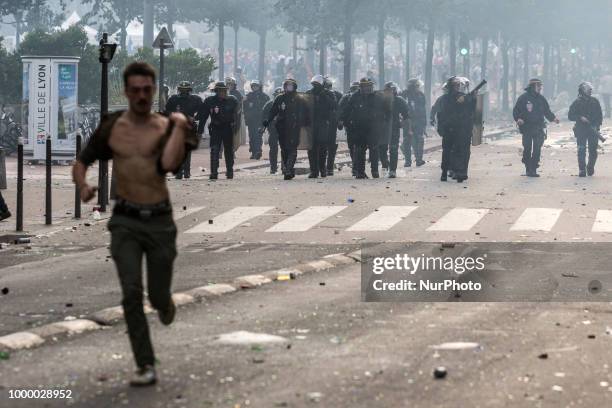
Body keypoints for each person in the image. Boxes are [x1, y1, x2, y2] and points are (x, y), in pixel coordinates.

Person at [72, 62, 197, 387]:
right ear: (126, 91)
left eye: (147, 90)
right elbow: (82, 160)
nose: (141, 95)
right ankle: (145, 364)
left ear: (153, 91)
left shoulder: (168, 127)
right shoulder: (113, 127)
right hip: (125, 220)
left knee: (155, 297)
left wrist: (180, 129)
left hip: (159, 221)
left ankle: (164, 302)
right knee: (130, 292)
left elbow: (169, 165)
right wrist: (83, 185)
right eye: (135, 90)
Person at [341, 77, 389, 179]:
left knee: (374, 150)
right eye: (365, 86)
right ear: (361, 87)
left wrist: (383, 123)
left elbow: (386, 111)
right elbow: (346, 110)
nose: (367, 88)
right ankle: (360, 172)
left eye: (369, 86)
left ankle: (375, 171)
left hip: (374, 128)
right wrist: (347, 123)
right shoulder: (354, 97)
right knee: (359, 151)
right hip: (359, 128)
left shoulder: (378, 97)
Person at [262, 78, 309, 180]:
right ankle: (289, 170)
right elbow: (273, 111)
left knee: (292, 148)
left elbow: (306, 112)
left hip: (294, 127)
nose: (289, 88)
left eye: (291, 86)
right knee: (284, 149)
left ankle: (288, 169)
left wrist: (305, 123)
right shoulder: (279, 98)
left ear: (294, 87)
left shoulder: (299, 99)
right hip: (282, 127)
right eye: (287, 86)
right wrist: (267, 121)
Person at [513, 78, 559, 177]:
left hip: (538, 127)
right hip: (527, 127)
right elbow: (516, 110)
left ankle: (533, 169)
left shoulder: (541, 99)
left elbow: (547, 111)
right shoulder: (523, 98)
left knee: (537, 148)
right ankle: (528, 168)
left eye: (540, 86)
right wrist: (518, 119)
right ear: (532, 86)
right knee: (527, 148)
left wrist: (553, 118)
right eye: (538, 86)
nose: (540, 88)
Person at [435, 76, 477, 182]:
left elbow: (472, 110)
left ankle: (457, 173)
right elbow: (440, 114)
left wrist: (473, 98)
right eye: (456, 85)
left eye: (458, 85)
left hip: (459, 129)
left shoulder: (463, 97)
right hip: (450, 128)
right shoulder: (444, 99)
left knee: (457, 151)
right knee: (448, 151)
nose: (458, 87)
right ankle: (445, 171)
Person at [164, 81, 204, 179]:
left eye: (186, 90)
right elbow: (167, 111)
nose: (184, 92)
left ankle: (187, 171)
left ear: (189, 90)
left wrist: (195, 117)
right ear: (179, 90)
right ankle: (179, 171)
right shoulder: (173, 99)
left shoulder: (195, 99)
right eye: (182, 90)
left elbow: (203, 110)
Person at [201, 82, 240, 180]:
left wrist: (236, 129)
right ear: (216, 91)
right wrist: (199, 131)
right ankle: (214, 172)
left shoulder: (232, 100)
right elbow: (203, 116)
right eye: (220, 90)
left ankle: (230, 171)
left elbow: (237, 116)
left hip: (228, 128)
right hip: (215, 128)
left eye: (224, 90)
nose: (222, 92)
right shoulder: (210, 101)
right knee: (214, 150)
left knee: (229, 151)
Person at [568, 82, 603, 177]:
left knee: (593, 151)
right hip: (581, 129)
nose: (590, 91)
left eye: (590, 90)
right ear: (583, 90)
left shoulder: (595, 101)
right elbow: (570, 116)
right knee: (581, 150)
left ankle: (590, 167)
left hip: (593, 130)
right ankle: (582, 169)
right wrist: (580, 117)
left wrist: (597, 126)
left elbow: (600, 115)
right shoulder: (577, 102)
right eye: (588, 89)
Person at [305, 75, 336, 178]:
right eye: (314, 85)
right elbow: (302, 107)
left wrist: (324, 96)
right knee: (311, 149)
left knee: (323, 148)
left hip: (323, 123)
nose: (315, 87)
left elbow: (334, 105)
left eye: (317, 85)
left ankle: (322, 169)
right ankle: (314, 171)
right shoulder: (308, 93)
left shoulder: (328, 94)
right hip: (311, 124)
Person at [379, 82, 410, 178]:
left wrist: (407, 128)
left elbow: (406, 115)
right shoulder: (380, 100)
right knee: (382, 149)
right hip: (382, 128)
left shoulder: (399, 100)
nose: (390, 92)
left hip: (394, 128)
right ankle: (385, 164)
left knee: (393, 149)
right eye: (388, 90)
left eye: (392, 90)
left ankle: (393, 170)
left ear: (395, 91)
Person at [401, 78, 427, 167]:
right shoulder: (404, 94)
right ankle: (408, 161)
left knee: (419, 140)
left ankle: (419, 159)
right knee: (407, 141)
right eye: (417, 86)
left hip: (419, 121)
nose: (418, 87)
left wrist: (424, 123)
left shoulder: (421, 95)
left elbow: (423, 110)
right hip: (407, 121)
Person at [243, 80, 270, 160]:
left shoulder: (264, 96)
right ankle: (253, 152)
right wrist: (247, 118)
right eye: (253, 86)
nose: (255, 87)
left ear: (259, 86)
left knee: (258, 136)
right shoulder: (248, 96)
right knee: (252, 136)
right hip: (251, 121)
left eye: (256, 86)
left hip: (260, 120)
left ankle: (258, 151)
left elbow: (268, 108)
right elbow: (245, 108)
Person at [338, 81, 360, 176]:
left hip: (352, 125)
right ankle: (356, 167)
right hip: (355, 125)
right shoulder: (347, 97)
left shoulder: (346, 97)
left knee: (353, 147)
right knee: (357, 147)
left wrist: (341, 121)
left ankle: (356, 167)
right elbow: (341, 110)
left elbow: (341, 110)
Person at [323, 77, 343, 176]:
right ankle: (323, 168)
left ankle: (329, 168)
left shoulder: (337, 95)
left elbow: (340, 108)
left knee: (330, 146)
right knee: (321, 147)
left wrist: (339, 120)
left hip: (331, 124)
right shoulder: (318, 95)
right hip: (321, 124)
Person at [262, 87, 283, 174]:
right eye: (276, 95)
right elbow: (263, 116)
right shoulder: (269, 104)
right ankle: (273, 167)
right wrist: (263, 126)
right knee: (273, 149)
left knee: (284, 149)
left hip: (283, 130)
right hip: (273, 129)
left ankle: (284, 166)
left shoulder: (287, 103)